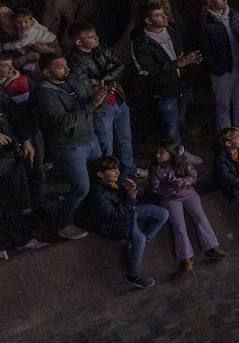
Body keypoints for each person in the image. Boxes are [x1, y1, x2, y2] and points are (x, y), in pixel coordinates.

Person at [34, 54, 105, 240]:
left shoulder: (71, 81)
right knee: (81, 187)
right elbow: (63, 122)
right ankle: (62, 223)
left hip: (90, 138)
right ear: (46, 72)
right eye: (60, 67)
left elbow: (87, 100)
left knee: (98, 176)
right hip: (71, 146)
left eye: (66, 65)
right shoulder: (45, 94)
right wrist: (91, 106)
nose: (67, 69)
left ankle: (89, 211)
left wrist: (98, 95)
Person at [80, 156, 170, 289]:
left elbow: (135, 195)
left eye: (116, 168)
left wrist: (134, 189)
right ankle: (133, 275)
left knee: (163, 213)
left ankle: (141, 245)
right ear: (100, 174)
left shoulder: (117, 180)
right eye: (112, 170)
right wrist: (130, 199)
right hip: (118, 222)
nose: (117, 172)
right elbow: (114, 215)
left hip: (131, 210)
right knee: (139, 239)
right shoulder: (98, 194)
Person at [66, 21, 136, 177]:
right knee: (106, 145)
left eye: (95, 34)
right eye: (91, 37)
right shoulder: (75, 62)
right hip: (101, 107)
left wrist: (100, 79)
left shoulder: (101, 48)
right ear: (79, 42)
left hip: (118, 98)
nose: (96, 38)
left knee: (125, 140)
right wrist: (107, 74)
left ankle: (129, 173)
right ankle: (106, 178)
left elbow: (121, 66)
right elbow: (84, 87)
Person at [129, 2, 200, 143]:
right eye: (158, 15)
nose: (164, 16)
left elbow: (183, 49)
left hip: (182, 84)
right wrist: (175, 64)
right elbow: (144, 69)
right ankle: (177, 157)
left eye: (163, 13)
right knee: (171, 127)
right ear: (148, 20)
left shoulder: (172, 29)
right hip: (164, 90)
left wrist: (190, 57)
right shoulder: (140, 41)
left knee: (181, 119)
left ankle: (183, 152)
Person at [150, 142, 225, 272]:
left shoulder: (183, 161)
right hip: (170, 198)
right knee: (179, 226)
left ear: (170, 153)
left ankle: (211, 246)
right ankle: (186, 257)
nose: (157, 155)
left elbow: (193, 176)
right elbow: (155, 187)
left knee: (200, 218)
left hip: (188, 193)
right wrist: (170, 189)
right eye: (157, 152)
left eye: (162, 152)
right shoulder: (155, 169)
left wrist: (182, 182)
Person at [198, 0, 239, 142]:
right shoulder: (206, 23)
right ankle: (226, 137)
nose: (224, 0)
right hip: (222, 70)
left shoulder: (234, 15)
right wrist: (215, 69)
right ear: (210, 2)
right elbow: (205, 50)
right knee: (223, 105)